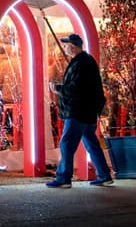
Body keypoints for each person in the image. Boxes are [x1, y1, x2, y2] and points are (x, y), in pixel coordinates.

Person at [45, 34, 112, 189]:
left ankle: (64, 178)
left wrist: (59, 88)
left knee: (67, 143)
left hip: (78, 111)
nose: (65, 48)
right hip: (87, 111)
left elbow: (77, 88)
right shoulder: (85, 61)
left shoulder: (81, 63)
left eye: (66, 45)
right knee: (91, 142)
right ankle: (104, 175)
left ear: (73, 46)